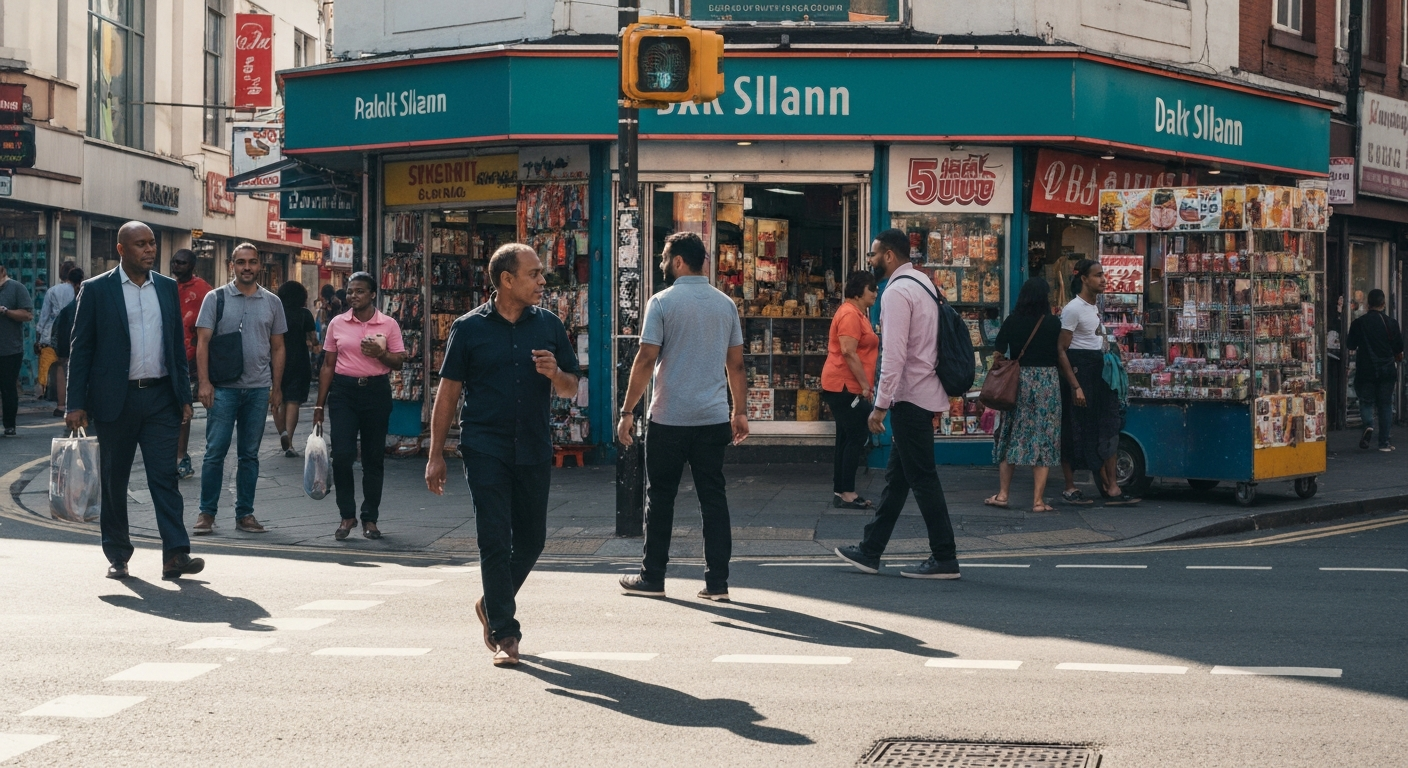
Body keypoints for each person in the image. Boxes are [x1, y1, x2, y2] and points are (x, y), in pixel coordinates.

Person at [425, 244, 577, 666]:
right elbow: (449, 392)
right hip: (484, 445)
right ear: (507, 280)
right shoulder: (468, 328)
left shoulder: (549, 324)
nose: (543, 281)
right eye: (535, 274)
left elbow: (571, 387)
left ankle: (490, 602)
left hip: (533, 443)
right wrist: (436, 454)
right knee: (494, 538)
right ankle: (505, 634)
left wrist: (555, 374)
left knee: (532, 539)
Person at [617, 231, 749, 602]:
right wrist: (739, 412)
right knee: (714, 499)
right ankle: (718, 583)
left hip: (669, 418)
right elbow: (736, 365)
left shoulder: (661, 302)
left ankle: (653, 577)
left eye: (664, 256)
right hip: (712, 419)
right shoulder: (725, 305)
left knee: (660, 499)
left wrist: (628, 411)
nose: (662, 263)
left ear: (678, 261)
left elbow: (645, 359)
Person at [65, 221, 202, 580]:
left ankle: (175, 554)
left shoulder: (167, 288)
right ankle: (118, 554)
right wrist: (74, 404)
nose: (150, 250)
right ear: (121, 249)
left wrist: (183, 395)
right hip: (115, 401)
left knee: (165, 477)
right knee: (114, 481)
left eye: (152, 243)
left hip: (160, 398)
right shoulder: (97, 290)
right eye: (141, 244)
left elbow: (175, 345)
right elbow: (81, 350)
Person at [833, 228, 960, 580]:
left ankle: (945, 557)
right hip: (923, 392)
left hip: (910, 397)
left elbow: (894, 356)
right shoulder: (924, 284)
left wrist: (880, 405)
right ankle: (871, 551)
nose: (871, 260)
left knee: (922, 478)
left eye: (874, 254)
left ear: (889, 255)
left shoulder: (896, 292)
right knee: (898, 479)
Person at [192, 244, 287, 535]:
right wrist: (205, 383)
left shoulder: (272, 302)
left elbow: (279, 346)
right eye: (241, 262)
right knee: (214, 452)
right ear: (231, 264)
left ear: (260, 266)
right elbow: (203, 343)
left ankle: (245, 514)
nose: (247, 267)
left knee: (249, 455)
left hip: (258, 390)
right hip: (223, 389)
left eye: (253, 262)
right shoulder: (215, 298)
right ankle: (206, 513)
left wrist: (277, 387)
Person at [315, 272, 404, 542]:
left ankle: (370, 518)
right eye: (350, 291)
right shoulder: (337, 324)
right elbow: (328, 365)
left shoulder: (388, 324)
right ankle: (347, 514)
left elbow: (399, 361)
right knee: (341, 455)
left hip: (376, 391)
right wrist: (319, 405)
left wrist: (381, 354)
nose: (353, 296)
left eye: (360, 291)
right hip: (343, 392)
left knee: (373, 458)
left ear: (373, 294)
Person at [986, 277, 1072, 513]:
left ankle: (1003, 495)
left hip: (1019, 382)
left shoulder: (1012, 320)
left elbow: (998, 352)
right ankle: (1038, 501)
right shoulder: (1054, 323)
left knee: (1011, 434)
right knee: (1044, 437)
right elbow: (1062, 351)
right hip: (1047, 383)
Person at [1058, 259, 1139, 506]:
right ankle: (1079, 487)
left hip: (1100, 372)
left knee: (1108, 426)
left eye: (1104, 274)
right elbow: (1061, 350)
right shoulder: (1073, 309)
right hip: (1081, 372)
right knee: (1079, 430)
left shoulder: (1094, 306)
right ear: (1083, 279)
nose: (1103, 279)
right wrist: (1076, 386)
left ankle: (1112, 486)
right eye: (1097, 275)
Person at [821, 270, 879, 509]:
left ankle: (842, 490)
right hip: (844, 386)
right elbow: (847, 351)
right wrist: (865, 386)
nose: (875, 293)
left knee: (846, 438)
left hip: (845, 385)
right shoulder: (849, 314)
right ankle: (847, 492)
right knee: (856, 436)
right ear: (858, 290)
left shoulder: (858, 313)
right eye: (871, 289)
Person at [171, 249, 212, 479]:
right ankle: (173, 457)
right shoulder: (166, 286)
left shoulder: (204, 291)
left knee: (184, 411)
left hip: (192, 360)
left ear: (192, 266)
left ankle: (181, 456)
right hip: (167, 359)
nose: (177, 266)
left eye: (182, 263)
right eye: (174, 262)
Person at [1347, 288, 1404, 452]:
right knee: (1385, 404)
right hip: (1386, 370)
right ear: (1383, 303)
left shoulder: (1358, 323)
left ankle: (1369, 425)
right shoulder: (1392, 323)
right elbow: (1399, 348)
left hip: (1366, 369)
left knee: (1366, 401)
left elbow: (1351, 345)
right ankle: (1384, 442)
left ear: (1367, 304)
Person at [272, 281, 319, 457]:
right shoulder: (304, 314)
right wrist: (313, 343)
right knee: (293, 401)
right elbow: (313, 338)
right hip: (298, 360)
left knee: (277, 398)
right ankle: (289, 442)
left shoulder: (275, 312)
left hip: (275, 359)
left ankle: (282, 432)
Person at [35, 259, 77, 413]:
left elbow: (44, 316)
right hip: (75, 329)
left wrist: (38, 337)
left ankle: (61, 405)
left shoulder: (53, 291)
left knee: (60, 367)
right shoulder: (79, 289)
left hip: (56, 332)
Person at [0, 262, 34, 437]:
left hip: (9, 349)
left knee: (7, 388)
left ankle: (9, 425)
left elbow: (27, 315)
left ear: (3, 270)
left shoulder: (16, 288)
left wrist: (6, 311)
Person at [50, 268, 85, 417]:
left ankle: (62, 405)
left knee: (65, 373)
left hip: (67, 346)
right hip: (80, 347)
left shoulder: (54, 292)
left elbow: (53, 322)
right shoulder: (84, 298)